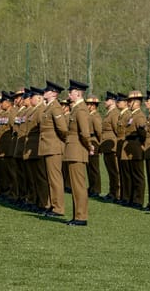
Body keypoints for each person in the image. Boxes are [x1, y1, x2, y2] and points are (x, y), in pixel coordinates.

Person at [64, 80, 92, 226]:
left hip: (77, 151)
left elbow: (85, 133)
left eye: (71, 92)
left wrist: (89, 146)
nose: (69, 95)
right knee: (75, 186)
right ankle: (77, 216)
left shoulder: (80, 109)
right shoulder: (76, 109)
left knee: (79, 186)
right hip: (73, 150)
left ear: (78, 93)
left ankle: (81, 217)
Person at [39, 80, 68, 217]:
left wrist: (62, 143)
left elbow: (62, 128)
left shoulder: (55, 107)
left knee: (55, 178)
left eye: (47, 90)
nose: (44, 92)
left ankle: (58, 208)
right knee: (50, 178)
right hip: (48, 147)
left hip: (54, 147)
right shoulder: (49, 107)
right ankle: (52, 205)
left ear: (53, 93)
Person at [100, 91, 120, 201]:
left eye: (107, 100)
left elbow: (117, 131)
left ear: (112, 101)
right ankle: (112, 192)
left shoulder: (115, 114)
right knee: (110, 171)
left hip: (113, 147)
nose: (105, 102)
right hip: (107, 147)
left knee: (115, 171)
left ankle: (117, 193)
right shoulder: (109, 113)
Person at [85, 95, 103, 199]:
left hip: (94, 141)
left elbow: (99, 132)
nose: (87, 106)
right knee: (89, 167)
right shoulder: (89, 116)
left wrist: (99, 145)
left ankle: (96, 189)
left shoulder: (95, 116)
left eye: (88, 104)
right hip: (90, 141)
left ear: (93, 106)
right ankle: (92, 187)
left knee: (94, 168)